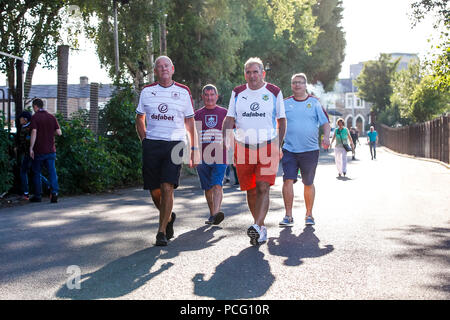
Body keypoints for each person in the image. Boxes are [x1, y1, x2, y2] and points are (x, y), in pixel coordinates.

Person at [135, 55, 199, 246]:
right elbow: (139, 118)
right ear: (155, 71)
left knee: (167, 186)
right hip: (152, 144)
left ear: (172, 69)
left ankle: (161, 232)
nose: (163, 69)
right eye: (159, 66)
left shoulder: (183, 91)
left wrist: (194, 148)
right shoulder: (147, 91)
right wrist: (145, 139)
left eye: (166, 66)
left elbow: (189, 122)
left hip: (175, 144)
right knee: (155, 191)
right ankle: (169, 217)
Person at [222, 57, 286, 246]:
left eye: (255, 71)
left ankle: (256, 226)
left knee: (263, 186)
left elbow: (282, 121)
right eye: (248, 72)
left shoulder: (274, 92)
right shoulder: (238, 92)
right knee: (250, 190)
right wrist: (226, 141)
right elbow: (229, 119)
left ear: (262, 73)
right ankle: (261, 227)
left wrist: (279, 145)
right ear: (245, 74)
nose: (252, 75)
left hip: (267, 146)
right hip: (243, 147)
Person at [279, 73, 330, 228]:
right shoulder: (285, 103)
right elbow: (278, 124)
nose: (297, 85)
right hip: (289, 149)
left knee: (308, 182)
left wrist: (326, 137)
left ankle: (309, 214)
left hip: (310, 150)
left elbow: (325, 123)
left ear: (305, 85)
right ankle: (288, 215)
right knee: (287, 180)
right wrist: (276, 144)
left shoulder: (314, 103)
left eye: (300, 82)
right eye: (294, 82)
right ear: (291, 85)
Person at [194, 84, 228, 225]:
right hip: (202, 156)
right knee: (207, 187)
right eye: (206, 95)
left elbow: (232, 133)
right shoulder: (197, 115)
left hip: (220, 155)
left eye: (212, 95)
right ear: (203, 97)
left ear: (217, 96)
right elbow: (193, 135)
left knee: (217, 185)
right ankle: (212, 214)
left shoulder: (225, 113)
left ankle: (216, 214)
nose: (209, 98)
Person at [29, 98, 62, 203]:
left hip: (39, 150)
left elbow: (34, 132)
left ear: (35, 106)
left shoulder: (35, 117)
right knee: (52, 172)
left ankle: (38, 195)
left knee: (37, 172)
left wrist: (31, 148)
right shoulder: (51, 117)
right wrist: (50, 133)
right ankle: (54, 192)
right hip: (51, 150)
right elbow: (59, 132)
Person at [15, 111, 49, 200]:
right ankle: (49, 186)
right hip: (33, 152)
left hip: (29, 153)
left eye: (21, 118)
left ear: (25, 119)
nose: (19, 120)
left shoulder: (28, 128)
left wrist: (21, 148)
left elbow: (26, 141)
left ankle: (26, 193)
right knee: (35, 172)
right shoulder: (26, 127)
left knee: (24, 171)